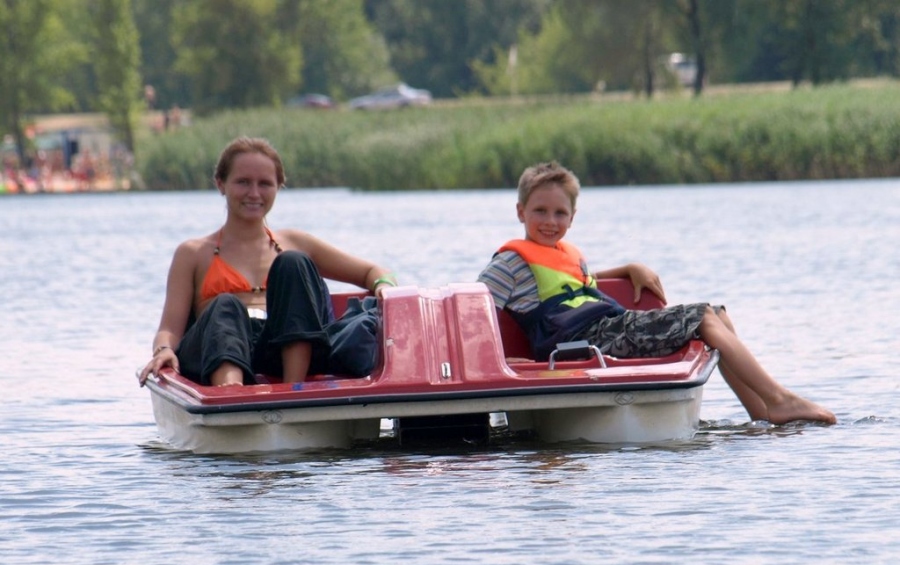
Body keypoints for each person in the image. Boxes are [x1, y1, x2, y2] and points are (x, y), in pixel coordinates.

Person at [477, 161, 836, 425]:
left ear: (573, 217)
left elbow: (578, 287)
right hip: (581, 342)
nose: (550, 221)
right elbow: (473, 306)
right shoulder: (509, 264)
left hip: (608, 331)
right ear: (521, 211)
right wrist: (502, 362)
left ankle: (758, 409)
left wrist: (628, 268)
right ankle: (778, 398)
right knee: (702, 317)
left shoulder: (566, 256)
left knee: (718, 313)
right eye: (539, 211)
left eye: (560, 213)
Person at [139, 136, 396, 387]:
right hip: (217, 350)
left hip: (277, 350)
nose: (254, 193)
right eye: (243, 182)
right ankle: (230, 395)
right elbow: (170, 328)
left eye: (264, 184)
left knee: (293, 262)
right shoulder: (192, 253)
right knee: (225, 303)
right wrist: (163, 350)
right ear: (221, 184)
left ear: (278, 187)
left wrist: (384, 287)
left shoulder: (296, 242)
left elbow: (373, 271)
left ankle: (293, 390)